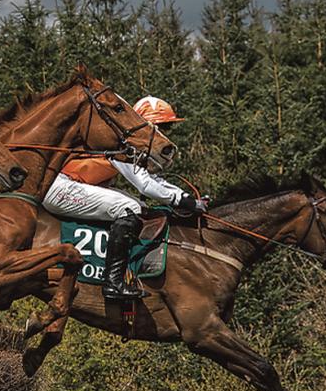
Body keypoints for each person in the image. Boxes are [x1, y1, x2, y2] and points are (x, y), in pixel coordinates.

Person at [42, 96, 206, 300]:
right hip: (61, 187)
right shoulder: (125, 142)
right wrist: (183, 201)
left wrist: (185, 197)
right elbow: (145, 185)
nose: (166, 134)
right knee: (129, 208)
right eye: (162, 127)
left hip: (71, 185)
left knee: (139, 206)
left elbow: (153, 180)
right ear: (146, 126)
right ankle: (113, 282)